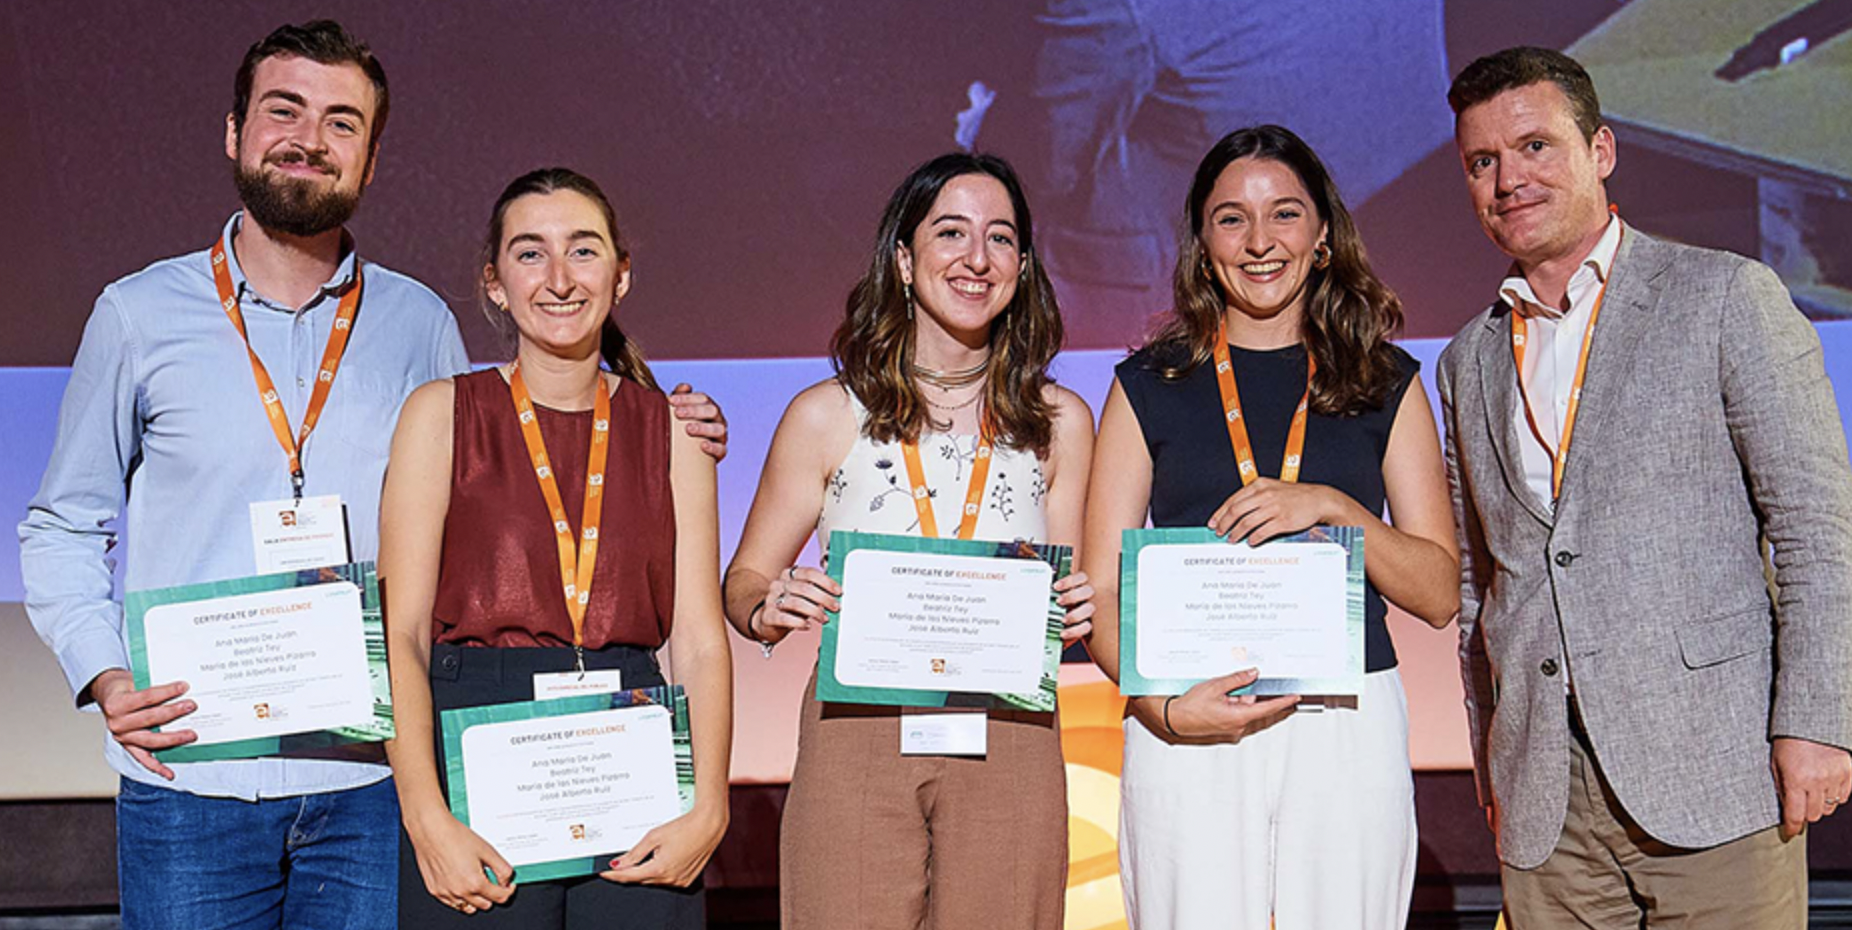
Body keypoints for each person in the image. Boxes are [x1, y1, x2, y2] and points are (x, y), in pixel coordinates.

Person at [16, 22, 727, 930]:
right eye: (285, 111)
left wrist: (661, 420)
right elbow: (63, 525)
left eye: (342, 122)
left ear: (372, 158)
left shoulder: (415, 321)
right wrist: (104, 673)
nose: (310, 140)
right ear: (234, 132)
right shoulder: (137, 315)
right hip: (194, 779)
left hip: (370, 784)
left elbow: (517, 462)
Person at [1439, 47, 1852, 927]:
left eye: (1536, 146)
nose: (1509, 178)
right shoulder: (1467, 357)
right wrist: (1490, 755)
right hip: (1545, 794)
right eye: (1483, 161)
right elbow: (1483, 580)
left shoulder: (1725, 295)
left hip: (1716, 771)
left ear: (1602, 150)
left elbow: (1817, 526)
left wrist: (1818, 721)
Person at [1081, 125, 1460, 929]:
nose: (1259, 242)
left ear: (1322, 236)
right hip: (1189, 721)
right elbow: (1103, 592)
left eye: (1284, 214)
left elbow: (1437, 592)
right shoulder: (1148, 384)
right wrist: (1164, 710)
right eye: (1231, 219)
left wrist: (1336, 507)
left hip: (1343, 717)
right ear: (1201, 241)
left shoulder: (1383, 381)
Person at [722, 152, 1096, 930]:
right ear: (902, 257)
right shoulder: (826, 413)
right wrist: (771, 602)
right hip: (859, 726)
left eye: (1000, 239)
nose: (976, 258)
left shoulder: (1060, 421)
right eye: (951, 233)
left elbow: (1064, 605)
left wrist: (1077, 609)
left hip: (1010, 732)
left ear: (1023, 267)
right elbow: (745, 580)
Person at [381, 167, 733, 928]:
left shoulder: (672, 432)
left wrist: (710, 804)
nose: (560, 278)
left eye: (584, 250)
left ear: (622, 274)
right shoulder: (441, 414)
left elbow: (702, 642)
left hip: (634, 767)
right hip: (475, 769)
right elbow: (399, 635)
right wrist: (423, 815)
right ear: (496, 283)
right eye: (531, 253)